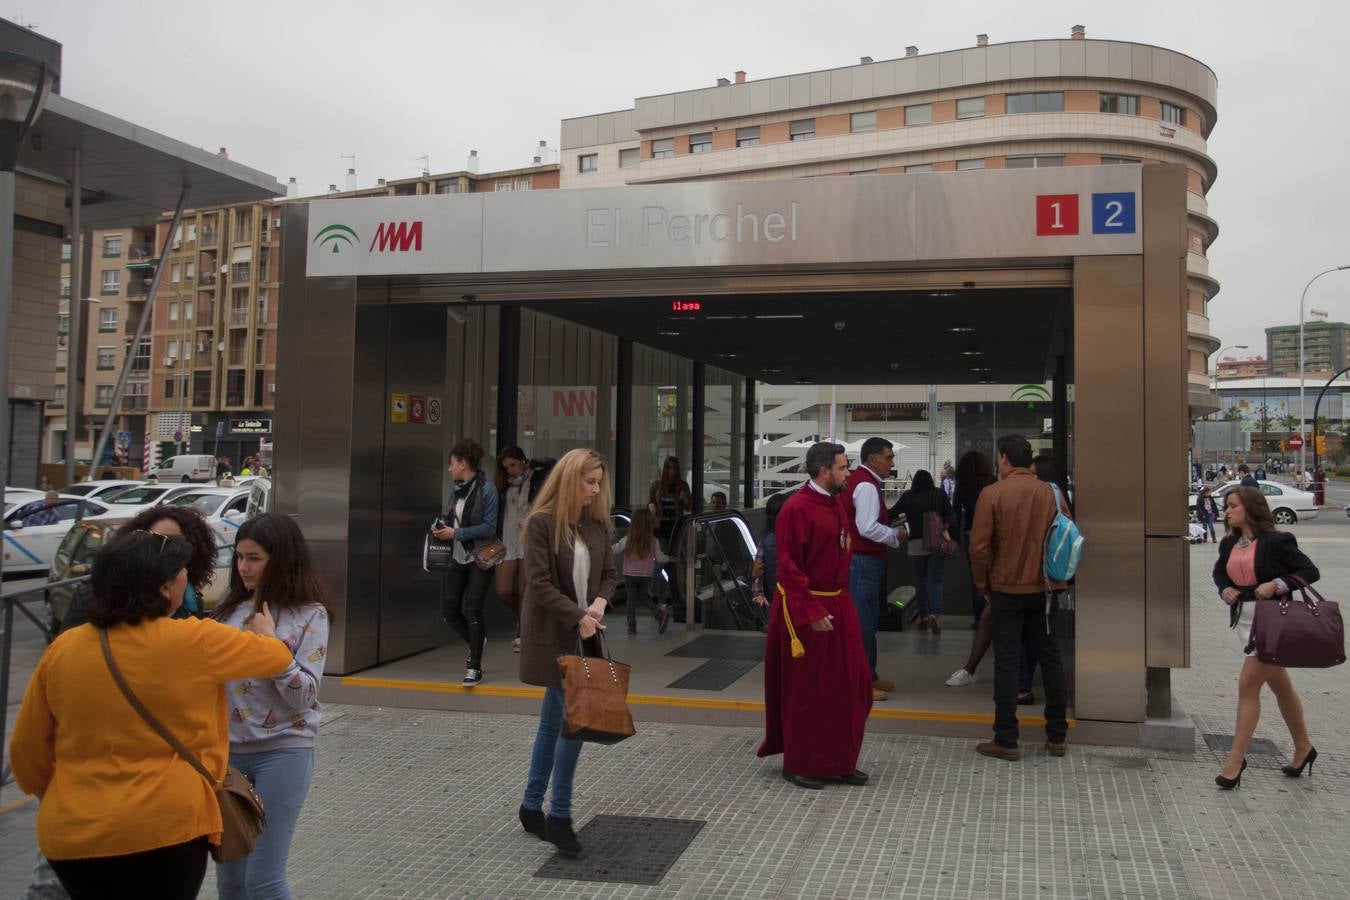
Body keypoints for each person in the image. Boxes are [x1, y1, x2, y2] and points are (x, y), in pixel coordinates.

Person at [10, 530, 292, 899]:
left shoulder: (64, 648)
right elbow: (277, 658)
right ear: (163, 587)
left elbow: (26, 751)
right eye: (182, 572)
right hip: (167, 829)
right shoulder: (195, 640)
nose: (187, 578)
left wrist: (65, 798)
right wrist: (266, 633)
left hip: (73, 835)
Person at [214, 513, 332, 898]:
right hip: (227, 755)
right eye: (239, 557)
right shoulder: (228, 611)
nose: (243, 568)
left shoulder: (309, 614)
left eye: (254, 558)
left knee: (263, 880)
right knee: (231, 881)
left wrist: (272, 646)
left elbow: (304, 696)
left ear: (280, 559)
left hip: (283, 751)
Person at [517, 448, 616, 857]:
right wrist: (578, 615)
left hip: (584, 635)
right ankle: (559, 816)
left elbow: (610, 574)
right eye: (590, 481)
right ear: (570, 478)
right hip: (553, 636)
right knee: (574, 723)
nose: (595, 490)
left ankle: (530, 805)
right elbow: (538, 584)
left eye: (599, 483)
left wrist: (599, 604)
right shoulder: (541, 524)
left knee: (552, 723)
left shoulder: (596, 525)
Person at [758, 441, 873, 790]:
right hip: (805, 608)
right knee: (808, 691)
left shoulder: (836, 501)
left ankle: (839, 761)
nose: (848, 473)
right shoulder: (796, 509)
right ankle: (801, 763)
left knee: (853, 686)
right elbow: (789, 569)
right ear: (824, 471)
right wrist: (811, 610)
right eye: (842, 467)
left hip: (837, 604)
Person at [1211, 486, 1320, 789]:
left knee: (1248, 685)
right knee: (1281, 686)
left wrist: (1277, 584)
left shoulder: (1276, 542)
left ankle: (1235, 760)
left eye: (1233, 506)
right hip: (1245, 622)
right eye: (1227, 506)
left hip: (1274, 625)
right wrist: (1225, 589)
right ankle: (1303, 747)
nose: (1227, 510)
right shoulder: (1231, 543)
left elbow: (1309, 571)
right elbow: (1220, 574)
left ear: (1251, 508)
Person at [968, 434, 1069, 761]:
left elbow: (979, 547)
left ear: (1004, 459)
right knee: (1050, 657)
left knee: (1007, 661)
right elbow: (1066, 535)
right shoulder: (1050, 493)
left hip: (1006, 589)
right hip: (1046, 588)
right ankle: (1056, 736)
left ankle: (1006, 738)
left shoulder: (992, 494)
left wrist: (983, 584)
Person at [430, 439, 500, 687]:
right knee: (449, 609)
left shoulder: (487, 490)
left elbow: (489, 527)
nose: (449, 469)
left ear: (463, 463)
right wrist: (440, 527)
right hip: (457, 557)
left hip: (481, 557)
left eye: (452, 464)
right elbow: (449, 517)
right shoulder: (456, 490)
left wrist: (456, 534)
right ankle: (476, 640)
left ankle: (474, 666)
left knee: (472, 608)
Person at [843, 438, 905, 701]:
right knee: (862, 621)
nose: (892, 463)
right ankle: (863, 681)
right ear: (872, 459)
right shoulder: (866, 486)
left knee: (867, 618)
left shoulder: (862, 481)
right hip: (862, 561)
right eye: (888, 457)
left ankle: (871, 674)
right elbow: (867, 527)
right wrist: (894, 535)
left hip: (862, 560)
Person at [493, 447, 556, 653]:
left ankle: (523, 632)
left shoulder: (536, 480)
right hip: (508, 540)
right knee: (503, 591)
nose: (510, 470)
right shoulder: (503, 486)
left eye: (513, 465)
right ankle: (527, 617)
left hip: (529, 538)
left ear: (523, 461)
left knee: (524, 590)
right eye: (506, 467)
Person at [946, 450, 997, 686]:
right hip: (995, 537)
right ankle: (993, 610)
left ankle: (979, 617)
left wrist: (955, 538)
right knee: (994, 578)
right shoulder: (993, 483)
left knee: (976, 579)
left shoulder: (963, 486)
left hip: (972, 536)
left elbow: (955, 514)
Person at [890, 470, 955, 634]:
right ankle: (935, 614)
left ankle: (924, 616)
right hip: (937, 541)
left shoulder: (908, 496)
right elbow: (951, 515)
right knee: (937, 580)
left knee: (920, 580)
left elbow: (891, 513)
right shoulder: (939, 494)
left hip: (916, 542)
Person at [612, 504, 671, 635]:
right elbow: (660, 558)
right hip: (646, 575)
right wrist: (670, 558)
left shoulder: (628, 539)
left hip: (629, 575)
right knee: (644, 597)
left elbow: (615, 549)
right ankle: (659, 614)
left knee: (631, 600)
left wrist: (604, 550)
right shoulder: (653, 541)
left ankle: (632, 627)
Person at [751, 492, 790, 609]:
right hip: (796, 597)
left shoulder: (765, 540)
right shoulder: (800, 537)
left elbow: (757, 572)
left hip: (772, 598)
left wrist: (758, 594)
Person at [649, 456, 693, 550]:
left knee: (675, 553)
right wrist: (651, 507)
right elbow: (651, 502)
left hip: (676, 525)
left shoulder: (683, 486)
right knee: (662, 553)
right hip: (660, 525)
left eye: (674, 468)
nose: (672, 471)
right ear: (665, 469)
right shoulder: (656, 486)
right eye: (669, 468)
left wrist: (684, 498)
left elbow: (688, 507)